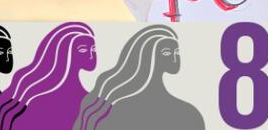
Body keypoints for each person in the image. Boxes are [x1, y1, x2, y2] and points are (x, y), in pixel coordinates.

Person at [74, 25, 204, 130]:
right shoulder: (121, 112)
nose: (175, 59)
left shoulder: (189, 114)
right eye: (166, 53)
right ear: (146, 57)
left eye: (177, 52)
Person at [0, 22, 97, 130]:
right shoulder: (37, 103)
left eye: (93, 49)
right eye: (82, 50)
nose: (91, 55)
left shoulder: (95, 103)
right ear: (64, 54)